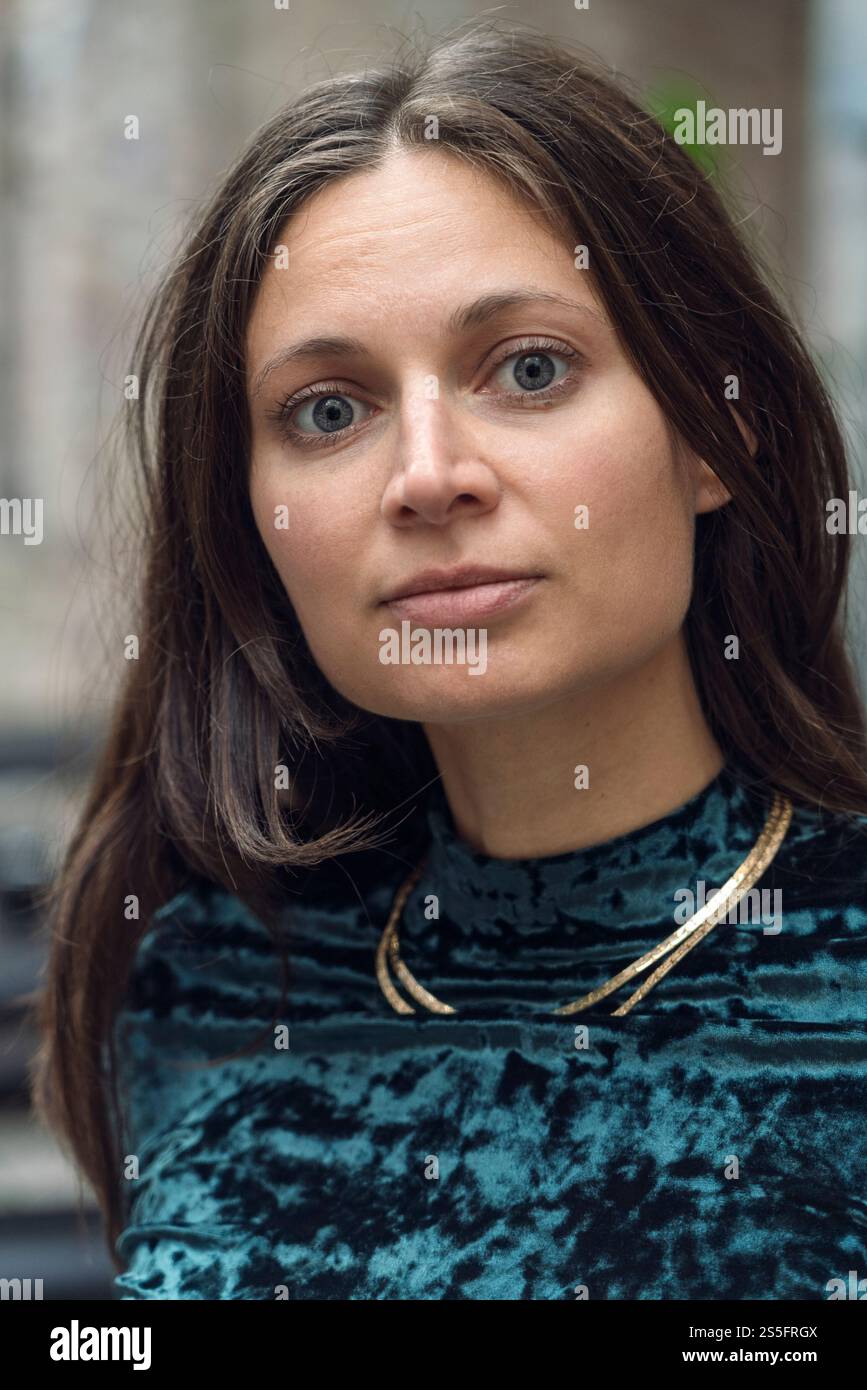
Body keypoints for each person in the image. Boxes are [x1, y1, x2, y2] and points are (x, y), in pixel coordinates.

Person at [32, 22, 867, 1300]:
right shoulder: (212, 974)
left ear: (715, 431)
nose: (428, 476)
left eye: (528, 369)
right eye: (329, 410)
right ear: (250, 514)